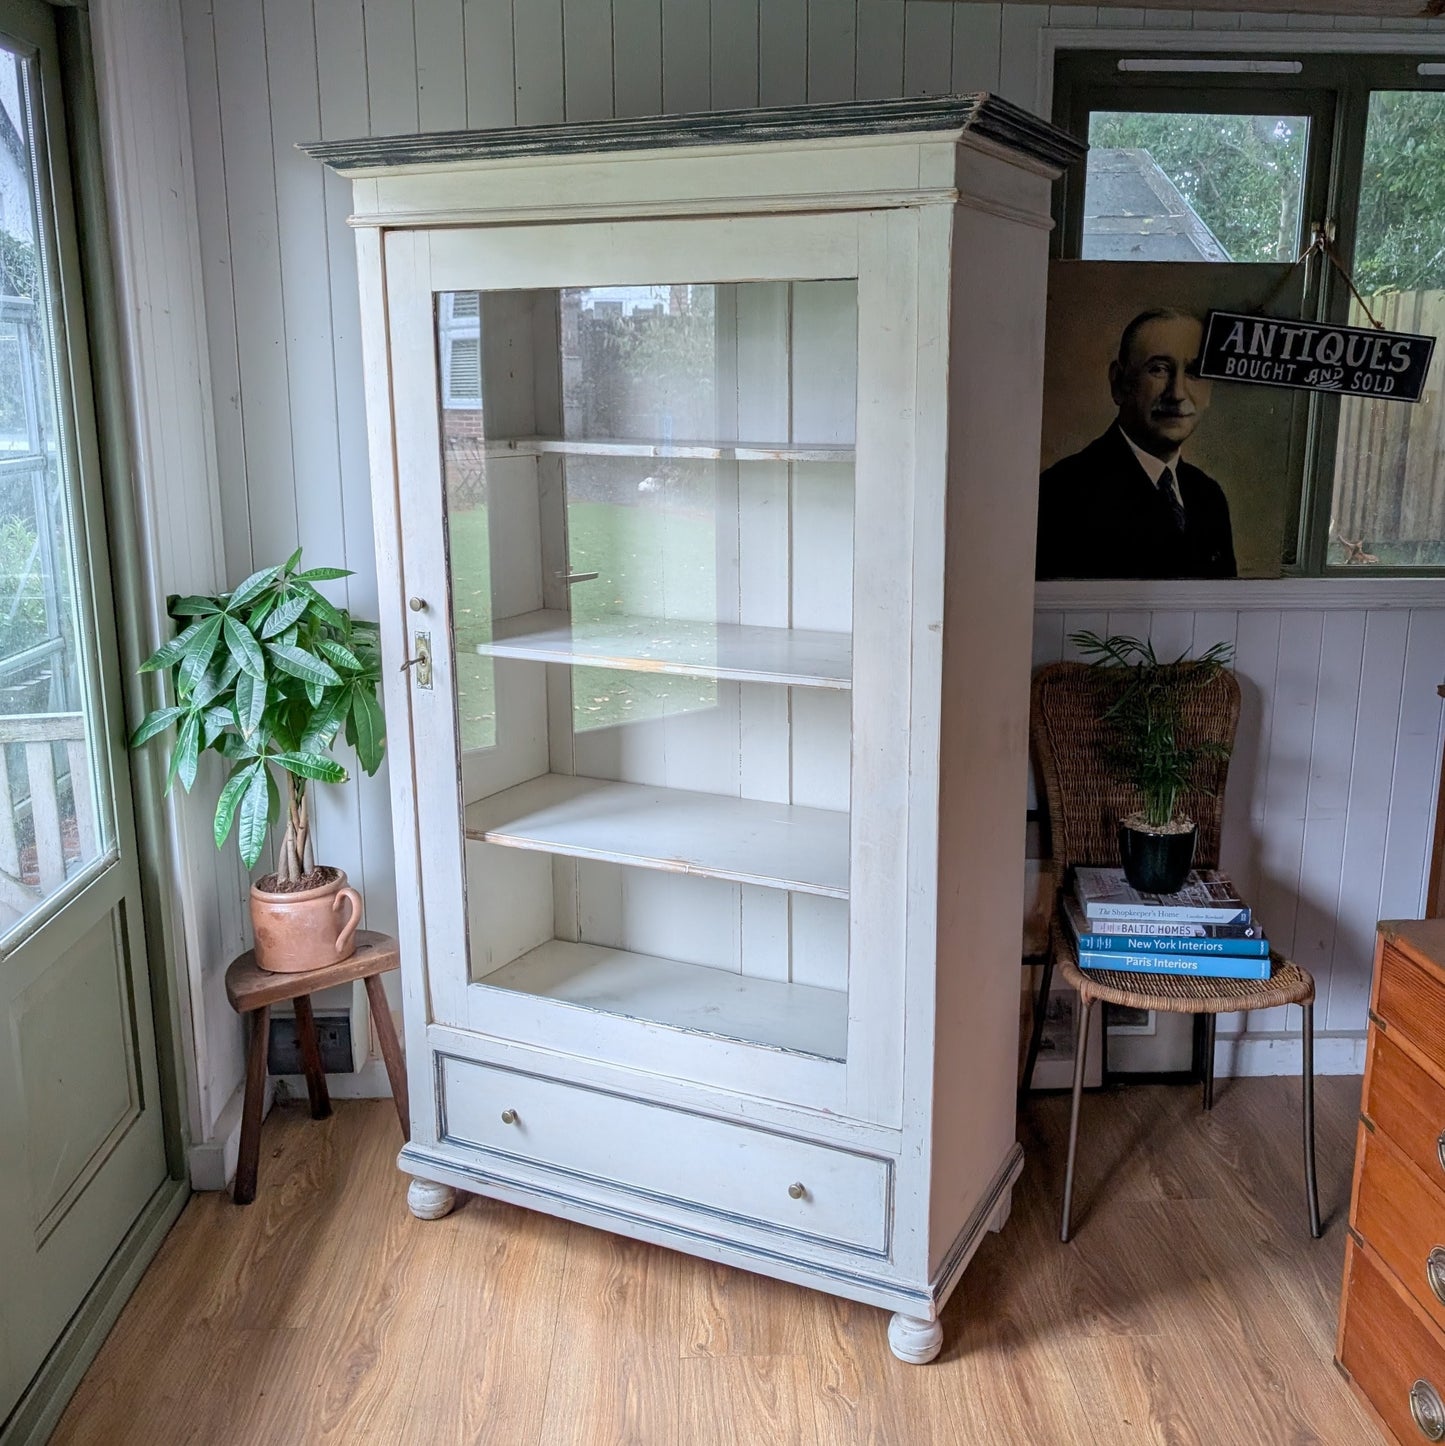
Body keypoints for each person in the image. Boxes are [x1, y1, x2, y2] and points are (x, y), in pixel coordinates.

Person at [1036, 308, 1237, 580]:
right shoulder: (1062, 495)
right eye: (1159, 369)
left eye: (1194, 372)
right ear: (1119, 383)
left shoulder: (1209, 498)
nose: (1177, 393)